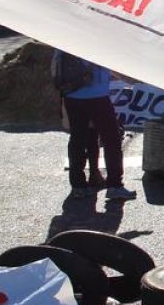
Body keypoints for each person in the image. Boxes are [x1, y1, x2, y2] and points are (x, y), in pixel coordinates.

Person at [55, 50, 137, 201]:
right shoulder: (97, 37)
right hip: (97, 96)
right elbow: (110, 64)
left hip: (72, 96)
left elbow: (56, 69)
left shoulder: (66, 36)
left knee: (77, 140)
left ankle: (78, 185)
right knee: (112, 140)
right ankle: (114, 186)